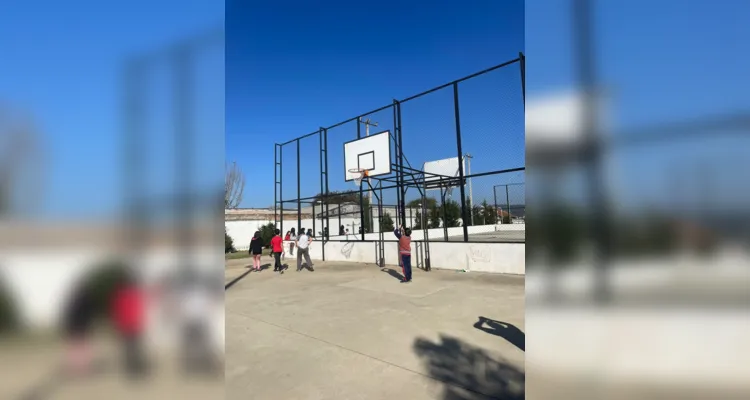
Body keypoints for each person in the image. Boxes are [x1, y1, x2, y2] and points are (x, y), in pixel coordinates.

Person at [110, 271, 147, 377]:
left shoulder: (118, 296)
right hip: (134, 324)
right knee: (136, 347)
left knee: (128, 348)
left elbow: (116, 312)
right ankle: (137, 367)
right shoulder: (134, 294)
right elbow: (139, 308)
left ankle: (131, 368)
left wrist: (117, 325)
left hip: (125, 325)